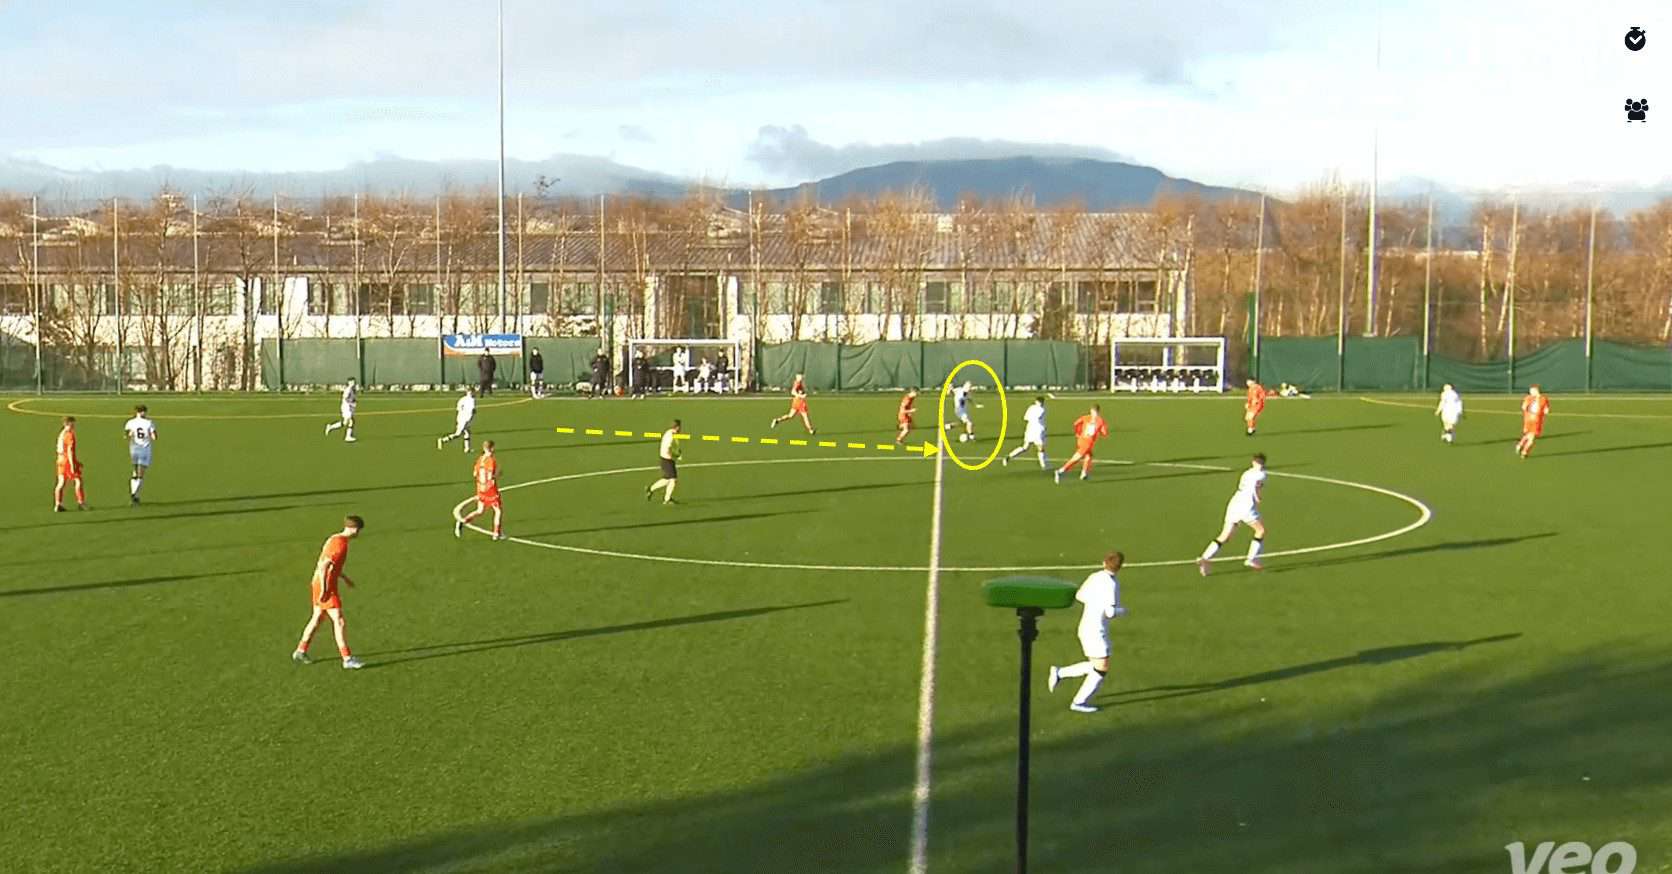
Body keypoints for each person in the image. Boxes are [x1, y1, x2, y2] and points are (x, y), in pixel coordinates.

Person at [1047, 551, 1127, 714]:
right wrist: (1122, 611)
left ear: (1104, 562)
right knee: (1101, 668)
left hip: (1086, 626)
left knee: (1097, 666)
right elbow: (1110, 612)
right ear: (1120, 567)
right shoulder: (1111, 584)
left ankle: (1060, 673)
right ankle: (1078, 702)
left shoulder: (1094, 576)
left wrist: (1095, 601)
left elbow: (1080, 596)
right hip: (1096, 631)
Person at [292, 515, 367, 670]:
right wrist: (325, 589)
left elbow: (332, 566)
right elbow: (324, 566)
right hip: (325, 585)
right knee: (339, 621)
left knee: (318, 618)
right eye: (358, 530)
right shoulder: (340, 544)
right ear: (354, 529)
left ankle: (300, 650)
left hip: (319, 583)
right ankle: (347, 658)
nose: (358, 534)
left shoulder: (335, 538)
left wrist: (344, 578)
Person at [1197, 453, 1269, 575]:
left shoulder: (1246, 473)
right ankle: (1251, 558)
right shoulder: (1262, 474)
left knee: (1225, 535)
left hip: (1234, 504)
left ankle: (1205, 557)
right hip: (1246, 506)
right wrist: (1258, 498)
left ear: (1253, 462)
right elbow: (1257, 489)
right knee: (1260, 531)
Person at [456, 442, 505, 540]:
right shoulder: (491, 460)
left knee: (480, 510)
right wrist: (498, 474)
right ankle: (496, 533)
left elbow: (475, 474)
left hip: (480, 489)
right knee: (498, 510)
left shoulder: (480, 459)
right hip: (490, 489)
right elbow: (491, 476)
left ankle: (463, 521)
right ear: (492, 448)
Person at [1054, 404, 1108, 483]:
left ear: (1091, 411)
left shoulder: (1085, 417)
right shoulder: (1100, 421)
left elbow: (1076, 424)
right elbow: (1104, 433)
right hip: (1088, 443)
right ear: (1098, 411)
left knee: (1089, 456)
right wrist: (1101, 431)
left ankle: (1084, 473)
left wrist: (1078, 433)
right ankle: (1060, 471)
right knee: (1076, 458)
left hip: (1081, 440)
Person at [123, 404, 157, 506]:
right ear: (143, 412)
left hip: (134, 449)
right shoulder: (149, 422)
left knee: (135, 472)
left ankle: (135, 496)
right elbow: (154, 437)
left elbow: (126, 435)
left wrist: (132, 436)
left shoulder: (130, 422)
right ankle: (134, 494)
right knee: (140, 474)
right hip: (144, 449)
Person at [1004, 395, 1049, 469]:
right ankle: (1008, 457)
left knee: (1036, 448)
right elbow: (1030, 417)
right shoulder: (1040, 409)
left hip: (1034, 430)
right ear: (1036, 402)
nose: (1041, 403)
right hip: (1034, 430)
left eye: (1041, 402)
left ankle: (1043, 466)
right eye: (1040, 402)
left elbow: (1026, 418)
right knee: (1027, 447)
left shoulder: (1035, 408)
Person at [645, 419, 682, 505]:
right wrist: (676, 455)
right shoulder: (671, 435)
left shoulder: (669, 432)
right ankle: (667, 499)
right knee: (673, 479)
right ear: (677, 427)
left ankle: (651, 489)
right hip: (667, 459)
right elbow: (668, 449)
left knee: (668, 479)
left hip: (665, 458)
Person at [53, 416, 86, 512]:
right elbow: (69, 450)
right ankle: (81, 503)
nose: (74, 426)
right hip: (67, 460)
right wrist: (72, 465)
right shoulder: (69, 435)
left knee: (61, 482)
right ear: (68, 424)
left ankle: (58, 504)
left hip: (60, 460)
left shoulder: (61, 434)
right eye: (72, 424)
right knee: (78, 480)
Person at [437, 387, 477, 452]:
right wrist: (470, 417)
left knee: (467, 433)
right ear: (471, 392)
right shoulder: (471, 400)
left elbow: (458, 409)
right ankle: (442, 440)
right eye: (473, 392)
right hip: (465, 419)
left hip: (460, 417)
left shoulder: (462, 399)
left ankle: (467, 449)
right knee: (458, 434)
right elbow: (472, 410)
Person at [1516, 385, 1551, 459]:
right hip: (1533, 420)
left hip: (1532, 420)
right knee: (1531, 437)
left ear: (1536, 391)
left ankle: (1520, 445)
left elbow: (1524, 407)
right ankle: (1524, 452)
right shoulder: (1531, 398)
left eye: (1531, 391)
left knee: (1529, 435)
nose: (1530, 392)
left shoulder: (1542, 399)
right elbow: (1546, 411)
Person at [324, 378, 357, 443]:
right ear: (349, 382)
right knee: (351, 421)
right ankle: (347, 437)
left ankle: (330, 427)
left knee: (345, 423)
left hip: (348, 407)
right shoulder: (348, 389)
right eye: (351, 382)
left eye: (353, 382)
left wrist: (354, 402)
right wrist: (352, 403)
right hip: (346, 407)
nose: (353, 383)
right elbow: (345, 398)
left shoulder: (352, 389)